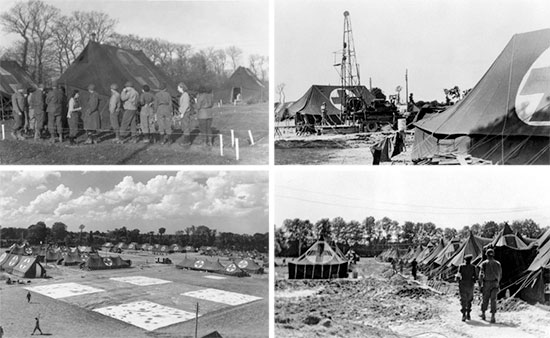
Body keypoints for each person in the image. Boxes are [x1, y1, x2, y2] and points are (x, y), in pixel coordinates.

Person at [479, 248, 502, 323]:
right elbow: (500, 274)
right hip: (495, 283)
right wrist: (497, 283)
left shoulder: (484, 263)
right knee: (493, 300)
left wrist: (480, 284)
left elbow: (481, 275)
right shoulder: (498, 263)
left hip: (487, 283)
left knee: (485, 299)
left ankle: (483, 314)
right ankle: (493, 316)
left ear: (486, 255)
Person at [456, 254, 477, 321]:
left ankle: (464, 314)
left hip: (463, 284)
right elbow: (475, 277)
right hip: (470, 285)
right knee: (469, 299)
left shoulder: (461, 266)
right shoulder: (473, 267)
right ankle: (468, 314)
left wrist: (458, 281)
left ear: (465, 260)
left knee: (463, 299)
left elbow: (458, 276)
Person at [177, 82, 193, 146]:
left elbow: (186, 105)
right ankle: (185, 140)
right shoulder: (184, 94)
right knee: (184, 126)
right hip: (184, 112)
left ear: (181, 88)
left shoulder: (185, 95)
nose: (177, 89)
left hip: (185, 113)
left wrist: (182, 113)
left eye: (178, 88)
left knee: (186, 126)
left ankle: (187, 141)